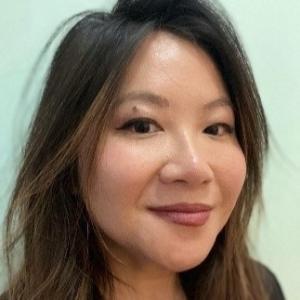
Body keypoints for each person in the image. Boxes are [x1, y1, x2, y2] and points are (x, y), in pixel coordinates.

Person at [0, 0, 286, 299]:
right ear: (68, 160)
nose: (195, 167)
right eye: (142, 126)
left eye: (215, 128)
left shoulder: (259, 290)